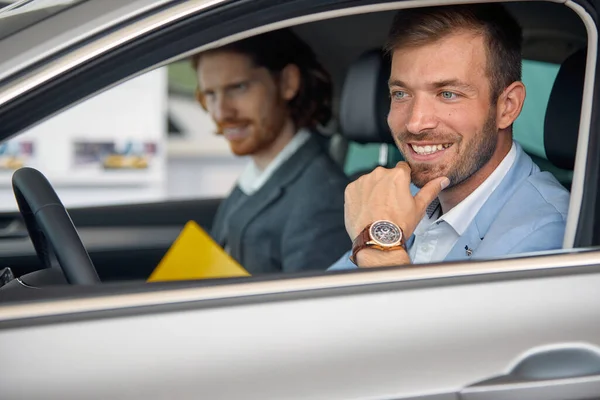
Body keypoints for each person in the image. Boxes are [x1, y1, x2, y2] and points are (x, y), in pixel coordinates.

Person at [330, 4, 570, 270]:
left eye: (448, 94)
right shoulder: (403, 198)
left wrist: (382, 250)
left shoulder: (546, 236)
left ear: (508, 106)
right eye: (401, 94)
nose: (416, 122)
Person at [192, 29, 350, 275]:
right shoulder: (257, 176)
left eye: (238, 87)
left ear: (288, 83)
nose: (221, 113)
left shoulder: (323, 199)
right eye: (210, 94)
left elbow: (310, 310)